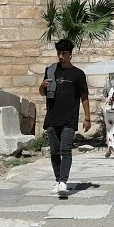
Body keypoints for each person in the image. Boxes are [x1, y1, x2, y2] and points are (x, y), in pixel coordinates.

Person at [38, 38, 91, 199]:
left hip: (69, 119)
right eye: (59, 53)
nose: (61, 56)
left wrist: (87, 117)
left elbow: (84, 97)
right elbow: (42, 93)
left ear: (70, 54)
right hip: (52, 118)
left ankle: (63, 181)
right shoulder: (51, 71)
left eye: (64, 53)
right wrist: (42, 86)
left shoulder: (78, 74)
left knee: (65, 150)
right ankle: (58, 180)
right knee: (54, 151)